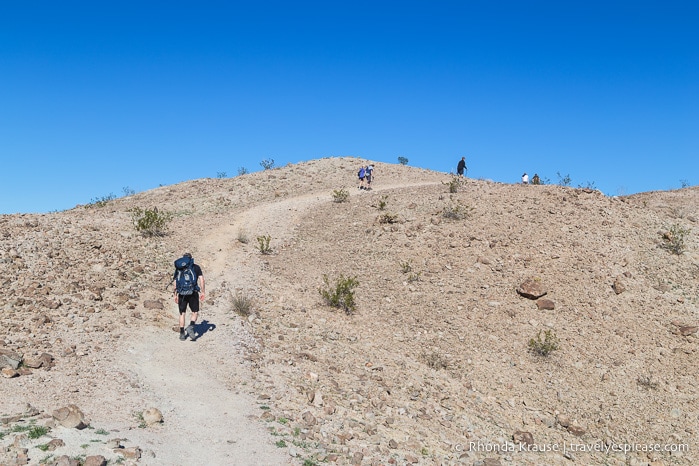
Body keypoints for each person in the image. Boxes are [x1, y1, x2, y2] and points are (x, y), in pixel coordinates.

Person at [173, 253, 205, 341]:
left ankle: (182, 333)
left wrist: (175, 295)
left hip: (182, 293)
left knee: (182, 313)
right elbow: (202, 280)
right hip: (193, 292)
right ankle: (191, 326)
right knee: (195, 311)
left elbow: (175, 282)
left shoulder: (179, 269)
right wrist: (203, 292)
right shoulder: (195, 267)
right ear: (191, 259)